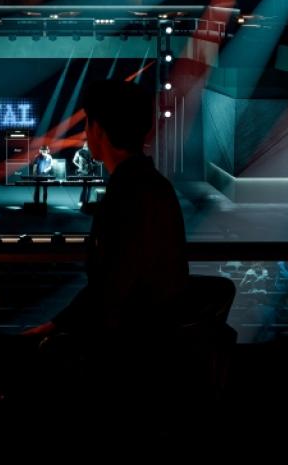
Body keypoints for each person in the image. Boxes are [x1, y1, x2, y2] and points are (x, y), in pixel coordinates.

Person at [26, 79, 186, 340]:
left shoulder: (127, 194)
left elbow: (113, 285)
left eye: (87, 124)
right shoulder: (152, 184)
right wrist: (58, 324)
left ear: (98, 129)